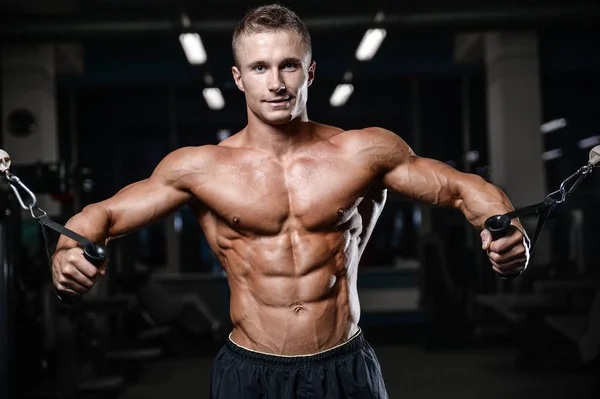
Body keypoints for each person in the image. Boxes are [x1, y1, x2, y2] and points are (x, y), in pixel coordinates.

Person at [51, 4, 530, 398]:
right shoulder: (200, 168)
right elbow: (105, 215)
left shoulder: (363, 153)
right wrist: (66, 252)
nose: (276, 83)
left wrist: (504, 229)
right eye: (260, 67)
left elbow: (461, 187)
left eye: (289, 65)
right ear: (239, 78)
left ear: (310, 71)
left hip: (345, 366)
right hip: (250, 372)